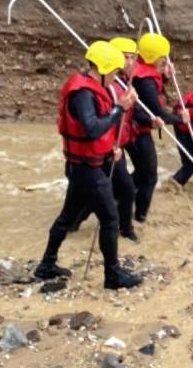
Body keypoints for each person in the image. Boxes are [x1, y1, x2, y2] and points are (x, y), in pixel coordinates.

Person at [34, 41, 143, 290]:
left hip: (86, 164)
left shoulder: (90, 87)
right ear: (103, 69)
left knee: (66, 217)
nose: (116, 77)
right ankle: (112, 276)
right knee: (110, 219)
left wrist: (110, 150)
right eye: (114, 72)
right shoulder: (83, 93)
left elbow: (98, 132)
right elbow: (92, 128)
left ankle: (46, 265)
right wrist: (120, 108)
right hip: (87, 169)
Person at [125, 32, 182, 224]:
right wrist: (181, 119)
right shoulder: (145, 81)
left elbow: (152, 95)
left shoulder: (143, 72)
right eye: (163, 58)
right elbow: (158, 112)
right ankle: (140, 217)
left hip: (134, 129)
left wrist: (165, 75)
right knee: (149, 177)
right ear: (152, 57)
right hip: (136, 133)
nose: (165, 61)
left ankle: (116, 198)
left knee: (141, 174)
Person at [107, 36, 142, 243]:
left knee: (121, 188)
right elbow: (107, 117)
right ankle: (125, 229)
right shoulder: (110, 85)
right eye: (124, 57)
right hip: (108, 146)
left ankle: (124, 227)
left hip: (117, 142)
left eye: (132, 58)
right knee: (126, 188)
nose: (129, 62)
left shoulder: (122, 82)